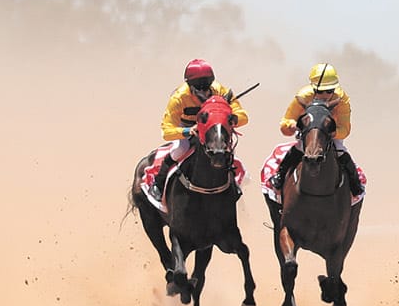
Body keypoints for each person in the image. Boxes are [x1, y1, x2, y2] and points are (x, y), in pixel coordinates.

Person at [147, 59, 249, 201]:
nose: (204, 91)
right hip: (188, 128)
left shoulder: (220, 91)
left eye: (206, 86)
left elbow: (243, 115)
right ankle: (159, 182)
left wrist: (233, 118)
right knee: (181, 149)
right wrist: (188, 131)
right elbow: (166, 130)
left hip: (211, 130)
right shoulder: (179, 98)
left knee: (226, 150)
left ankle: (233, 184)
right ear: (190, 85)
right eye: (198, 87)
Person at [270, 62, 363, 197]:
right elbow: (285, 121)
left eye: (330, 91)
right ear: (313, 88)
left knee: (341, 151)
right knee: (299, 147)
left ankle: (355, 185)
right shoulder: (303, 96)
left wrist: (333, 133)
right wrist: (292, 125)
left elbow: (345, 128)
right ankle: (279, 176)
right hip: (309, 133)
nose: (325, 95)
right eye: (320, 91)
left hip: (330, 134)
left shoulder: (342, 99)